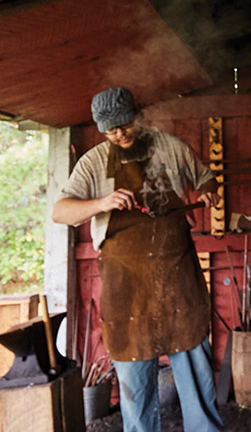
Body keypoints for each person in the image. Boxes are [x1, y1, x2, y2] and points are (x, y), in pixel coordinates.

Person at [52, 87, 223, 432]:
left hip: (178, 280)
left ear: (138, 114)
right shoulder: (94, 162)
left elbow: (208, 180)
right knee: (134, 387)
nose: (119, 134)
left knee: (197, 380)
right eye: (110, 129)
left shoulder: (171, 148)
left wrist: (208, 192)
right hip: (126, 288)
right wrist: (102, 203)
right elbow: (61, 212)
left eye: (124, 125)